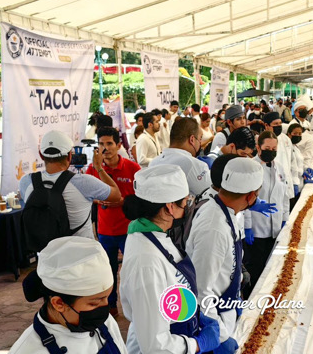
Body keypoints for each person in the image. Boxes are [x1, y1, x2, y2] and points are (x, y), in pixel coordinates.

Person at [120, 165, 222, 354]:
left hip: (178, 330)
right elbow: (156, 346)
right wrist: (199, 344)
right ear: (169, 207)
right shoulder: (146, 262)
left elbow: (169, 287)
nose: (188, 207)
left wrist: (195, 314)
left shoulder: (157, 235)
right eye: (185, 202)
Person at [187, 157, 263, 352]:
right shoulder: (214, 228)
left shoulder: (226, 213)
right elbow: (201, 290)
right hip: (213, 318)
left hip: (225, 306)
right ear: (250, 196)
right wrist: (219, 336)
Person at [10, 237, 127, 353]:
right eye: (94, 303)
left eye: (107, 297)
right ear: (59, 303)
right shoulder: (28, 350)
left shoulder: (106, 323)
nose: (105, 308)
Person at [19, 130, 123, 240]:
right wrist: (99, 168)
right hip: (83, 253)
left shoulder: (26, 182)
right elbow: (116, 195)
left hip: (46, 253)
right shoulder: (84, 182)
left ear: (41, 155)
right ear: (69, 156)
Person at [84, 127, 140, 317]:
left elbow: (141, 197)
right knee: (108, 272)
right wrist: (97, 200)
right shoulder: (92, 169)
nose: (105, 148)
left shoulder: (133, 168)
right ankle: (110, 306)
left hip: (129, 230)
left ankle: (136, 308)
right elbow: (85, 194)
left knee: (132, 272)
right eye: (101, 144)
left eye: (109, 143)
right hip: (105, 230)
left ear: (118, 145)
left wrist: (123, 201)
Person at [243, 131, 290, 296]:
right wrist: (247, 226)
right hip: (256, 230)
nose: (271, 151)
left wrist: (285, 220)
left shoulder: (280, 168)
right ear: (258, 147)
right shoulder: (250, 169)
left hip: (275, 229)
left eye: (274, 148)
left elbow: (284, 197)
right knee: (256, 270)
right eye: (267, 148)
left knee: (273, 270)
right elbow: (245, 200)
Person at [149, 117, 212, 197]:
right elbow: (209, 195)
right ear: (192, 139)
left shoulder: (153, 163)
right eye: (200, 139)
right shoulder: (194, 165)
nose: (200, 143)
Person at [263, 112, 294, 202]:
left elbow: (292, 160)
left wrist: (295, 180)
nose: (279, 126)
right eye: (275, 124)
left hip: (287, 182)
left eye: (280, 123)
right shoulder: (262, 141)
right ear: (266, 125)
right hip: (272, 186)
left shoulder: (285, 139)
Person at [287, 123, 305, 209]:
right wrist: (294, 183)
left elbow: (299, 163)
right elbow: (290, 168)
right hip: (292, 184)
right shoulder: (287, 148)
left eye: (300, 134)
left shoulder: (295, 146)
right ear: (289, 134)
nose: (297, 135)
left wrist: (305, 171)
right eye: (295, 133)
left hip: (299, 182)